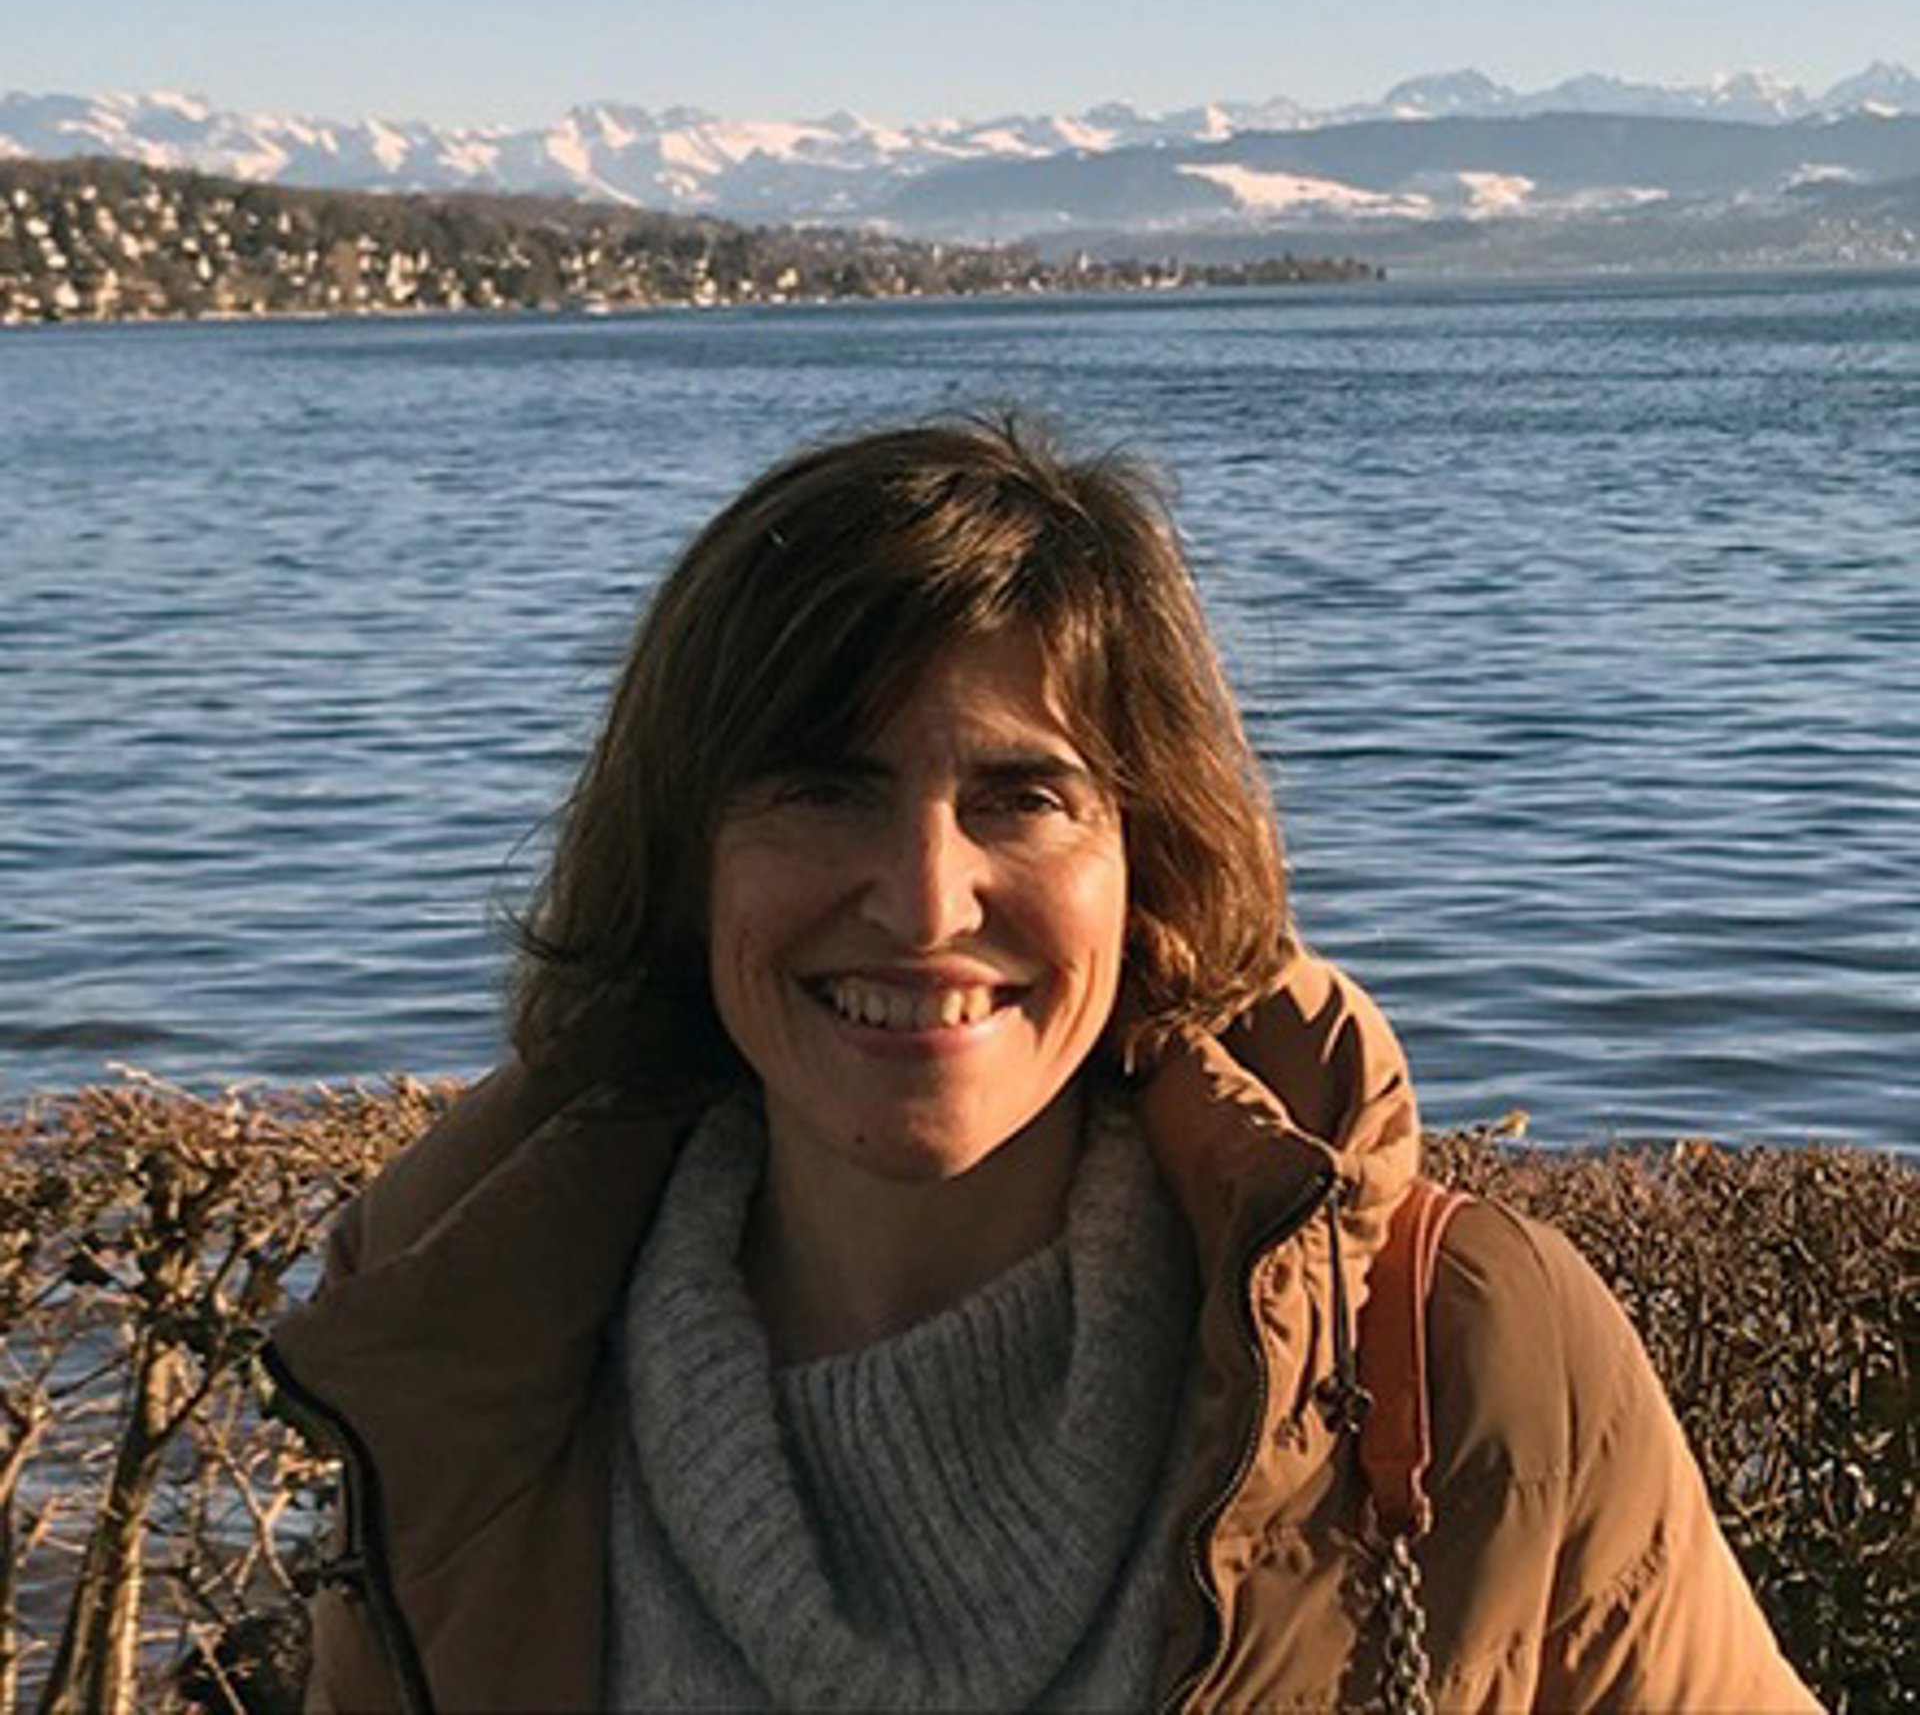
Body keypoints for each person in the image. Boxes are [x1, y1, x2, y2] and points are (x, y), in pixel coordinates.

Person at [266, 418, 1814, 1713]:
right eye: (823, 788)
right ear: (685, 860)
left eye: (1022, 795)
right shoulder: (486, 1383)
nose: (925, 900)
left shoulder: (1462, 1354)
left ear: (1150, 862)